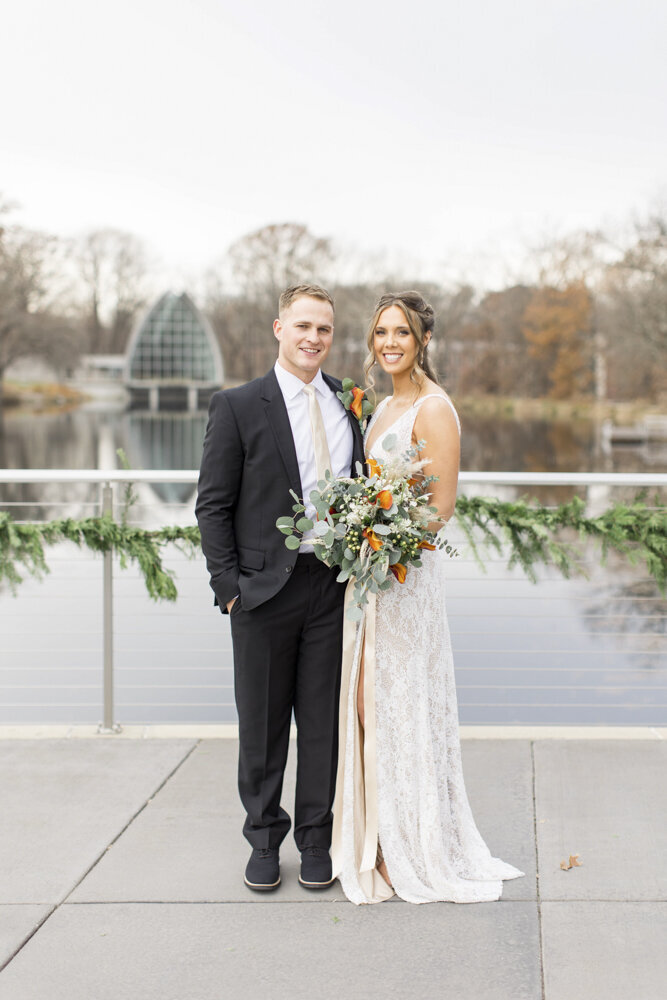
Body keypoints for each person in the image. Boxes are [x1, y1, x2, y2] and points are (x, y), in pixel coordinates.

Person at [331, 290, 524, 904]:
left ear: (423, 342)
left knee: (400, 705)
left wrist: (380, 536)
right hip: (372, 579)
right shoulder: (386, 404)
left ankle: (410, 849)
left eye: (402, 334)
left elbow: (440, 510)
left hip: (406, 580)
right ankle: (382, 837)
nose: (389, 343)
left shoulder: (435, 409)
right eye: (381, 332)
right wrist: (358, 528)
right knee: (368, 705)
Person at [196, 284, 364, 892]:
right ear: (278, 328)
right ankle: (264, 840)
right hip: (262, 593)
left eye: (323, 329)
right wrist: (229, 588)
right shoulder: (239, 406)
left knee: (322, 723)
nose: (313, 338)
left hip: (331, 587)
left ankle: (315, 841)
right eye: (303, 326)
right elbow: (213, 506)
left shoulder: (351, 401)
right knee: (262, 726)